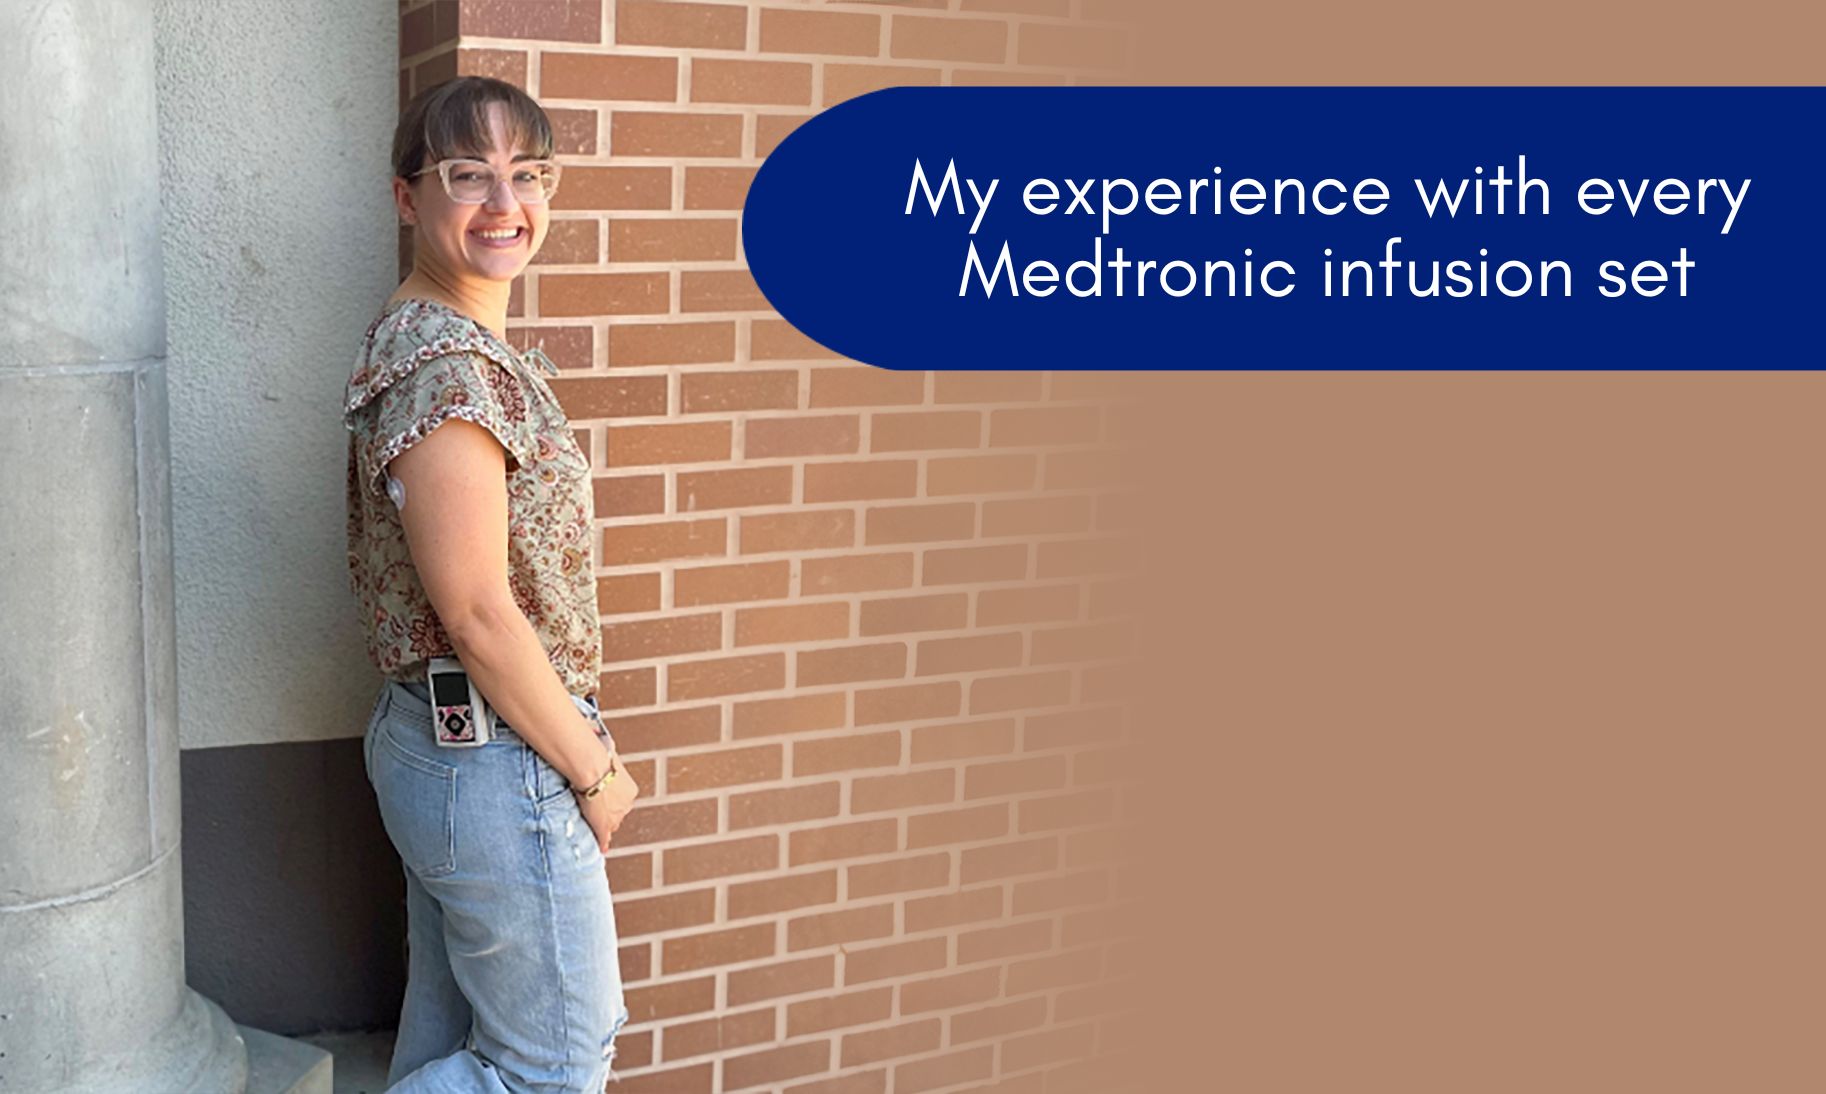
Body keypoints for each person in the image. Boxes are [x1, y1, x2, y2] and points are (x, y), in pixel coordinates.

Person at [343, 76, 639, 1092]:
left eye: (528, 174)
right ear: (406, 196)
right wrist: (592, 771)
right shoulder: (451, 371)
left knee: (449, 1038)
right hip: (492, 752)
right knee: (549, 1063)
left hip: (449, 742)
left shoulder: (430, 335)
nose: (504, 203)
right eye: (467, 174)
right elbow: (474, 609)